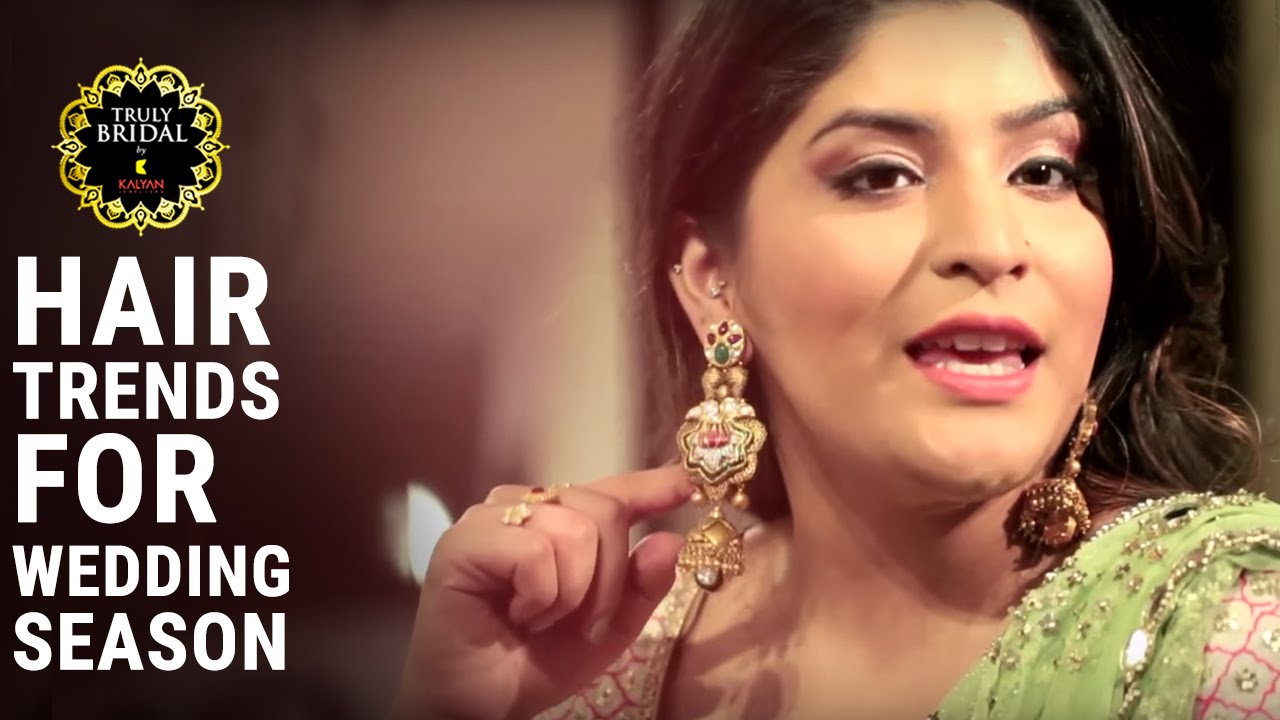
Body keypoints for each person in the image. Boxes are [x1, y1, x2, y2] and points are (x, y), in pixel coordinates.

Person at [393, 0, 1280, 717]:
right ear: (713, 279)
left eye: (1043, 171)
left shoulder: (1227, 638)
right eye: (882, 175)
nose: (990, 242)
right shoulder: (593, 667)